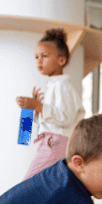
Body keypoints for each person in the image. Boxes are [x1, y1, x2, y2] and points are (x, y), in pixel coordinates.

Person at [16, 28, 85, 180]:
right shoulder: (53, 87)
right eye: (36, 57)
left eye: (44, 56)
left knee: (28, 185)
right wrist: (34, 109)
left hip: (55, 143)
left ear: (62, 60)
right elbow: (45, 123)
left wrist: (38, 106)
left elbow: (65, 118)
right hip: (51, 142)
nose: (39, 60)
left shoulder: (62, 86)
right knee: (48, 188)